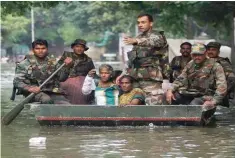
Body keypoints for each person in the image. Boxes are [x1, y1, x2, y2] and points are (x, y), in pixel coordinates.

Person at [121, 13, 169, 105]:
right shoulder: (138, 37)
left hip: (151, 79)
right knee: (132, 105)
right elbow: (132, 58)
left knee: (153, 106)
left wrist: (136, 41)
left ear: (151, 23)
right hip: (136, 78)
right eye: (138, 22)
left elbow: (155, 41)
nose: (140, 25)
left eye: (143, 22)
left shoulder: (158, 36)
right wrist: (123, 73)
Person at [165, 43, 227, 109]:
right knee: (168, 97)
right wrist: (170, 90)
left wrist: (214, 101)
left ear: (205, 53)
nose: (197, 57)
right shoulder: (191, 64)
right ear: (191, 54)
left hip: (207, 96)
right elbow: (180, 79)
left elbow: (222, 86)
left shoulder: (215, 66)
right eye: (194, 55)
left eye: (200, 55)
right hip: (191, 93)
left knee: (194, 104)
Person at [13, 39, 72, 104]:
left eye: (43, 48)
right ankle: (47, 113)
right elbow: (17, 82)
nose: (40, 51)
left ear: (47, 49)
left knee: (66, 104)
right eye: (37, 49)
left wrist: (67, 67)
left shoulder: (53, 61)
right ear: (33, 50)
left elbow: (62, 78)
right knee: (46, 99)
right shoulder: (24, 64)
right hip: (33, 93)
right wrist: (30, 88)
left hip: (51, 91)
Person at [58, 39, 95, 104]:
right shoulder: (66, 55)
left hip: (83, 83)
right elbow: (58, 69)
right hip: (66, 80)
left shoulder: (88, 59)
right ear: (73, 47)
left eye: (82, 47)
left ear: (84, 49)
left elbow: (93, 73)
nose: (79, 49)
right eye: (77, 46)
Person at [206, 42, 235, 107]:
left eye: (213, 50)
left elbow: (231, 79)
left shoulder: (223, 62)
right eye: (209, 50)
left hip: (217, 94)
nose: (210, 51)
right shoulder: (202, 61)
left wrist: (222, 93)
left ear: (218, 52)